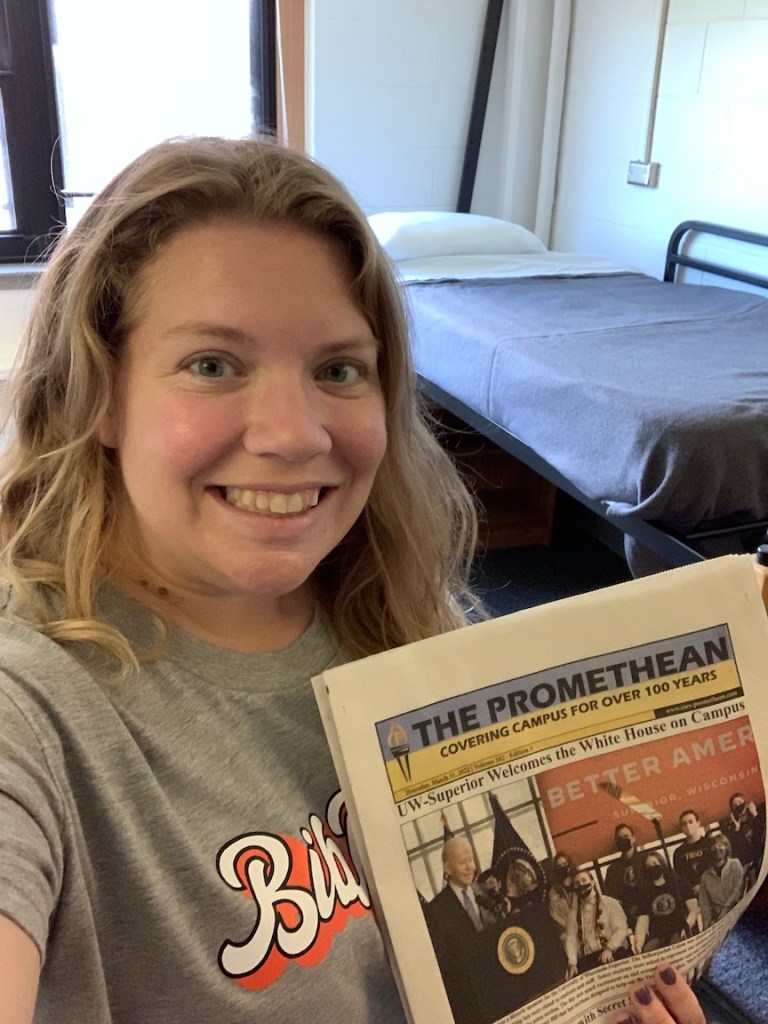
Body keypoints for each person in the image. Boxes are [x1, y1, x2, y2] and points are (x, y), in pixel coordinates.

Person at [0, 135, 709, 1024]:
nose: (295, 434)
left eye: (339, 370)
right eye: (213, 364)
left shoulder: (409, 620)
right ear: (101, 392)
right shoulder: (29, 706)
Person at [564, 869, 632, 979]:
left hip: (614, 955)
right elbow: (570, 938)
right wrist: (572, 962)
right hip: (590, 961)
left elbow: (621, 929)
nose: (581, 884)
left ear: (592, 882)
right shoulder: (573, 914)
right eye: (577, 883)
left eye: (583, 880)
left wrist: (609, 948)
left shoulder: (609, 903)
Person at [633, 852, 698, 954]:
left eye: (655, 863)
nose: (652, 867)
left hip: (678, 929)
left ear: (662, 863)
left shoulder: (679, 882)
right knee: (648, 951)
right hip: (659, 935)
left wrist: (687, 926)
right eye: (648, 866)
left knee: (675, 947)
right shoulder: (644, 892)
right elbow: (643, 921)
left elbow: (693, 908)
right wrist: (638, 942)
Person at [603, 822, 646, 929]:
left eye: (626, 836)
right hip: (627, 917)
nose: (623, 840)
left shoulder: (646, 859)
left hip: (649, 910)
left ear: (634, 838)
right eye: (619, 838)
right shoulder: (612, 869)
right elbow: (611, 898)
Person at [698, 834, 745, 929]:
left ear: (727, 848)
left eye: (720, 846)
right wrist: (707, 928)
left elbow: (738, 890)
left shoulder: (735, 864)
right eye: (713, 847)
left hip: (740, 912)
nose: (717, 849)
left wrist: (724, 913)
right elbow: (705, 905)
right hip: (719, 922)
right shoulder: (705, 876)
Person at [721, 791, 766, 887]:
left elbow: (763, 837)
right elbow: (740, 852)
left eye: (740, 802)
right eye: (735, 805)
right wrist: (737, 829)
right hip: (750, 864)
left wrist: (755, 815)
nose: (738, 806)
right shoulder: (733, 830)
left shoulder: (757, 818)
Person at [673, 808, 711, 896]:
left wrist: (703, 885)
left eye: (691, 822)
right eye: (684, 824)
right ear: (681, 828)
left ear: (698, 823)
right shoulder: (678, 853)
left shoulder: (709, 843)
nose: (688, 826)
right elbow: (681, 878)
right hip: (692, 895)